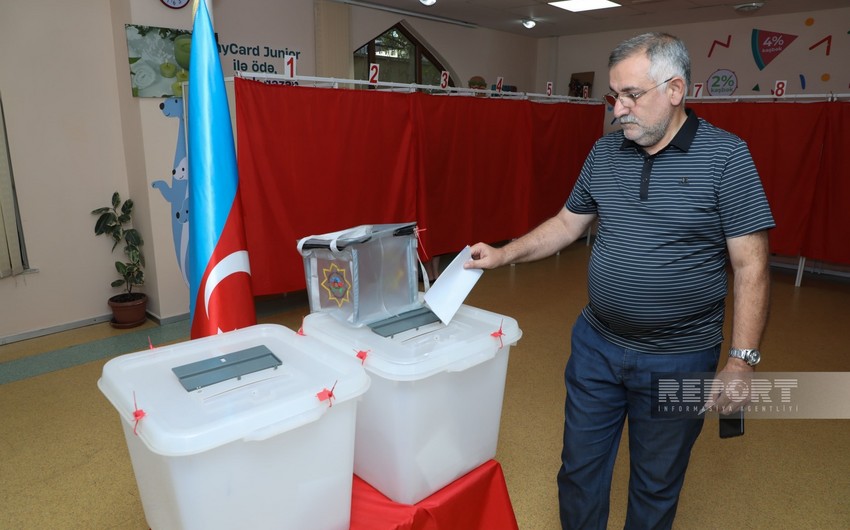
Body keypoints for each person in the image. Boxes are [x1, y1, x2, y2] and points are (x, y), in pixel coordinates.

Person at [464, 32, 774, 529]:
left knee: (655, 486)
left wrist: (742, 361)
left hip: (681, 357)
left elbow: (751, 265)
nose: (618, 110)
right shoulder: (605, 154)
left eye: (632, 95)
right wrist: (505, 254)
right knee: (579, 474)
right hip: (597, 347)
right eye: (614, 96)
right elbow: (568, 223)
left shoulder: (727, 159)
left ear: (675, 90)